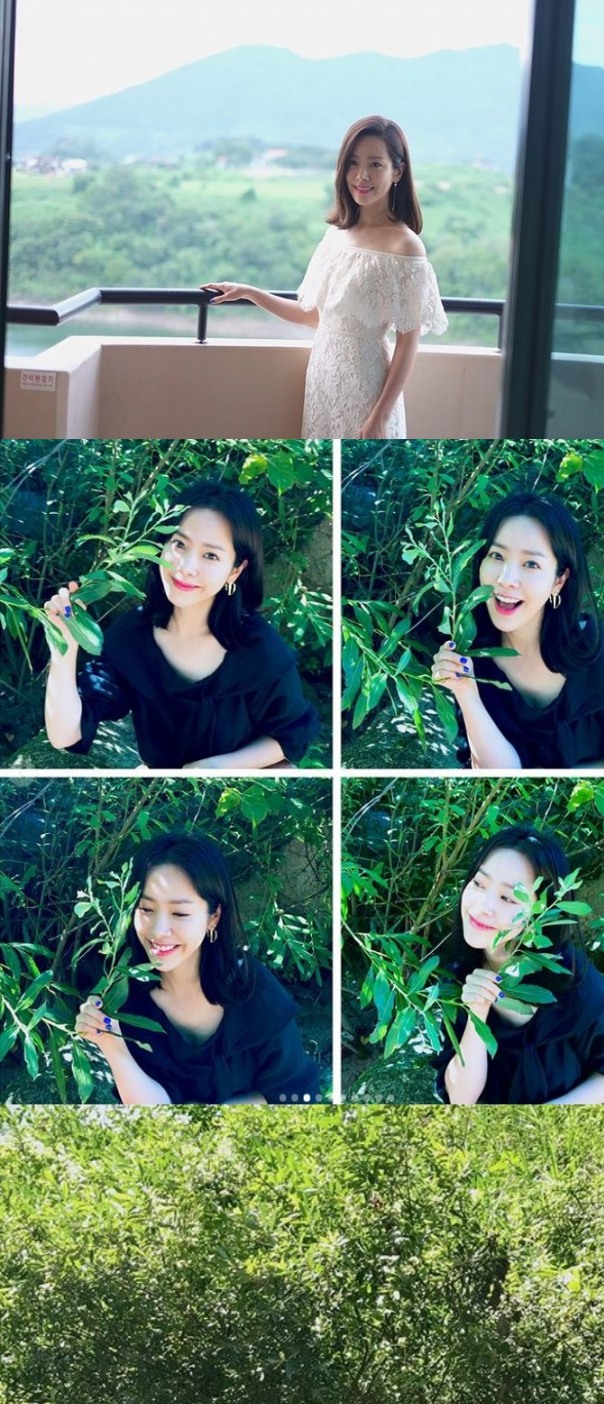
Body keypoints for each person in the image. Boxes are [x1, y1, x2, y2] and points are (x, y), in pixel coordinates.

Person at [43, 483, 319, 771]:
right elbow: (65, 736)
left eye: (210, 555)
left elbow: (290, 736)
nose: (186, 567)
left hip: (244, 783)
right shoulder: (131, 636)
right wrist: (64, 643)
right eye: (179, 544)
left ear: (235, 570)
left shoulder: (258, 648)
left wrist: (212, 768)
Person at [205, 120, 445, 438]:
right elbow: (313, 316)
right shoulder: (336, 235)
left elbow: (407, 344)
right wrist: (250, 293)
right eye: (353, 163)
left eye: (375, 164)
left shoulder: (406, 246)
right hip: (322, 381)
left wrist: (380, 418)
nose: (362, 176)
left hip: (367, 388)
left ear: (397, 171)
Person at [73, 832, 322, 1105]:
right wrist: (111, 1044)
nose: (158, 931)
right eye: (146, 909)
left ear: (213, 917)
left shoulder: (255, 993)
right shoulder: (125, 993)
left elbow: (298, 1095)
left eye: (179, 913)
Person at [431, 487, 604, 770]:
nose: (507, 579)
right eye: (497, 556)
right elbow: (497, 777)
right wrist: (465, 693)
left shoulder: (599, 659)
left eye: (531, 563)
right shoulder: (473, 651)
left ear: (559, 580)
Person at [435, 829, 604, 1106]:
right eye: (479, 884)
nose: (483, 906)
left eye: (508, 898)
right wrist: (477, 1011)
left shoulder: (574, 984)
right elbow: (461, 1099)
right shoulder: (459, 972)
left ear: (543, 910)